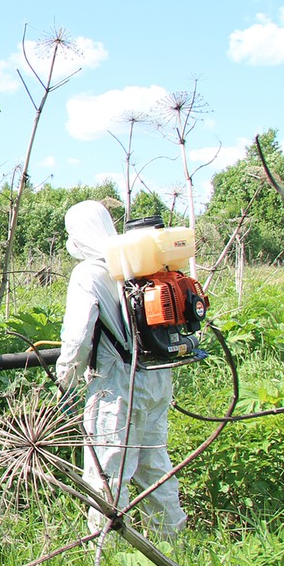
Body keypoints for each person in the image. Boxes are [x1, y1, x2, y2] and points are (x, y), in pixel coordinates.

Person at [54, 200, 187, 538]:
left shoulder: (89, 272)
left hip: (118, 387)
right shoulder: (140, 263)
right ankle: (173, 537)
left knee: (107, 473)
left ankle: (105, 550)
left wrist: (65, 379)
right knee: (154, 464)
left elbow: (78, 339)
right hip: (157, 375)